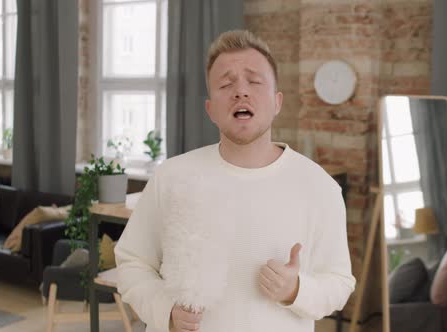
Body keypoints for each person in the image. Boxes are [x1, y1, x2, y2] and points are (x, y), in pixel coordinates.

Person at [115, 29, 355, 332]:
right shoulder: (172, 176)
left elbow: (339, 283)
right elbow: (133, 263)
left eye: (254, 81)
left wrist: (296, 290)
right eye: (226, 84)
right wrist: (166, 312)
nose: (240, 91)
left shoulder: (319, 187)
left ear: (277, 101)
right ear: (211, 109)